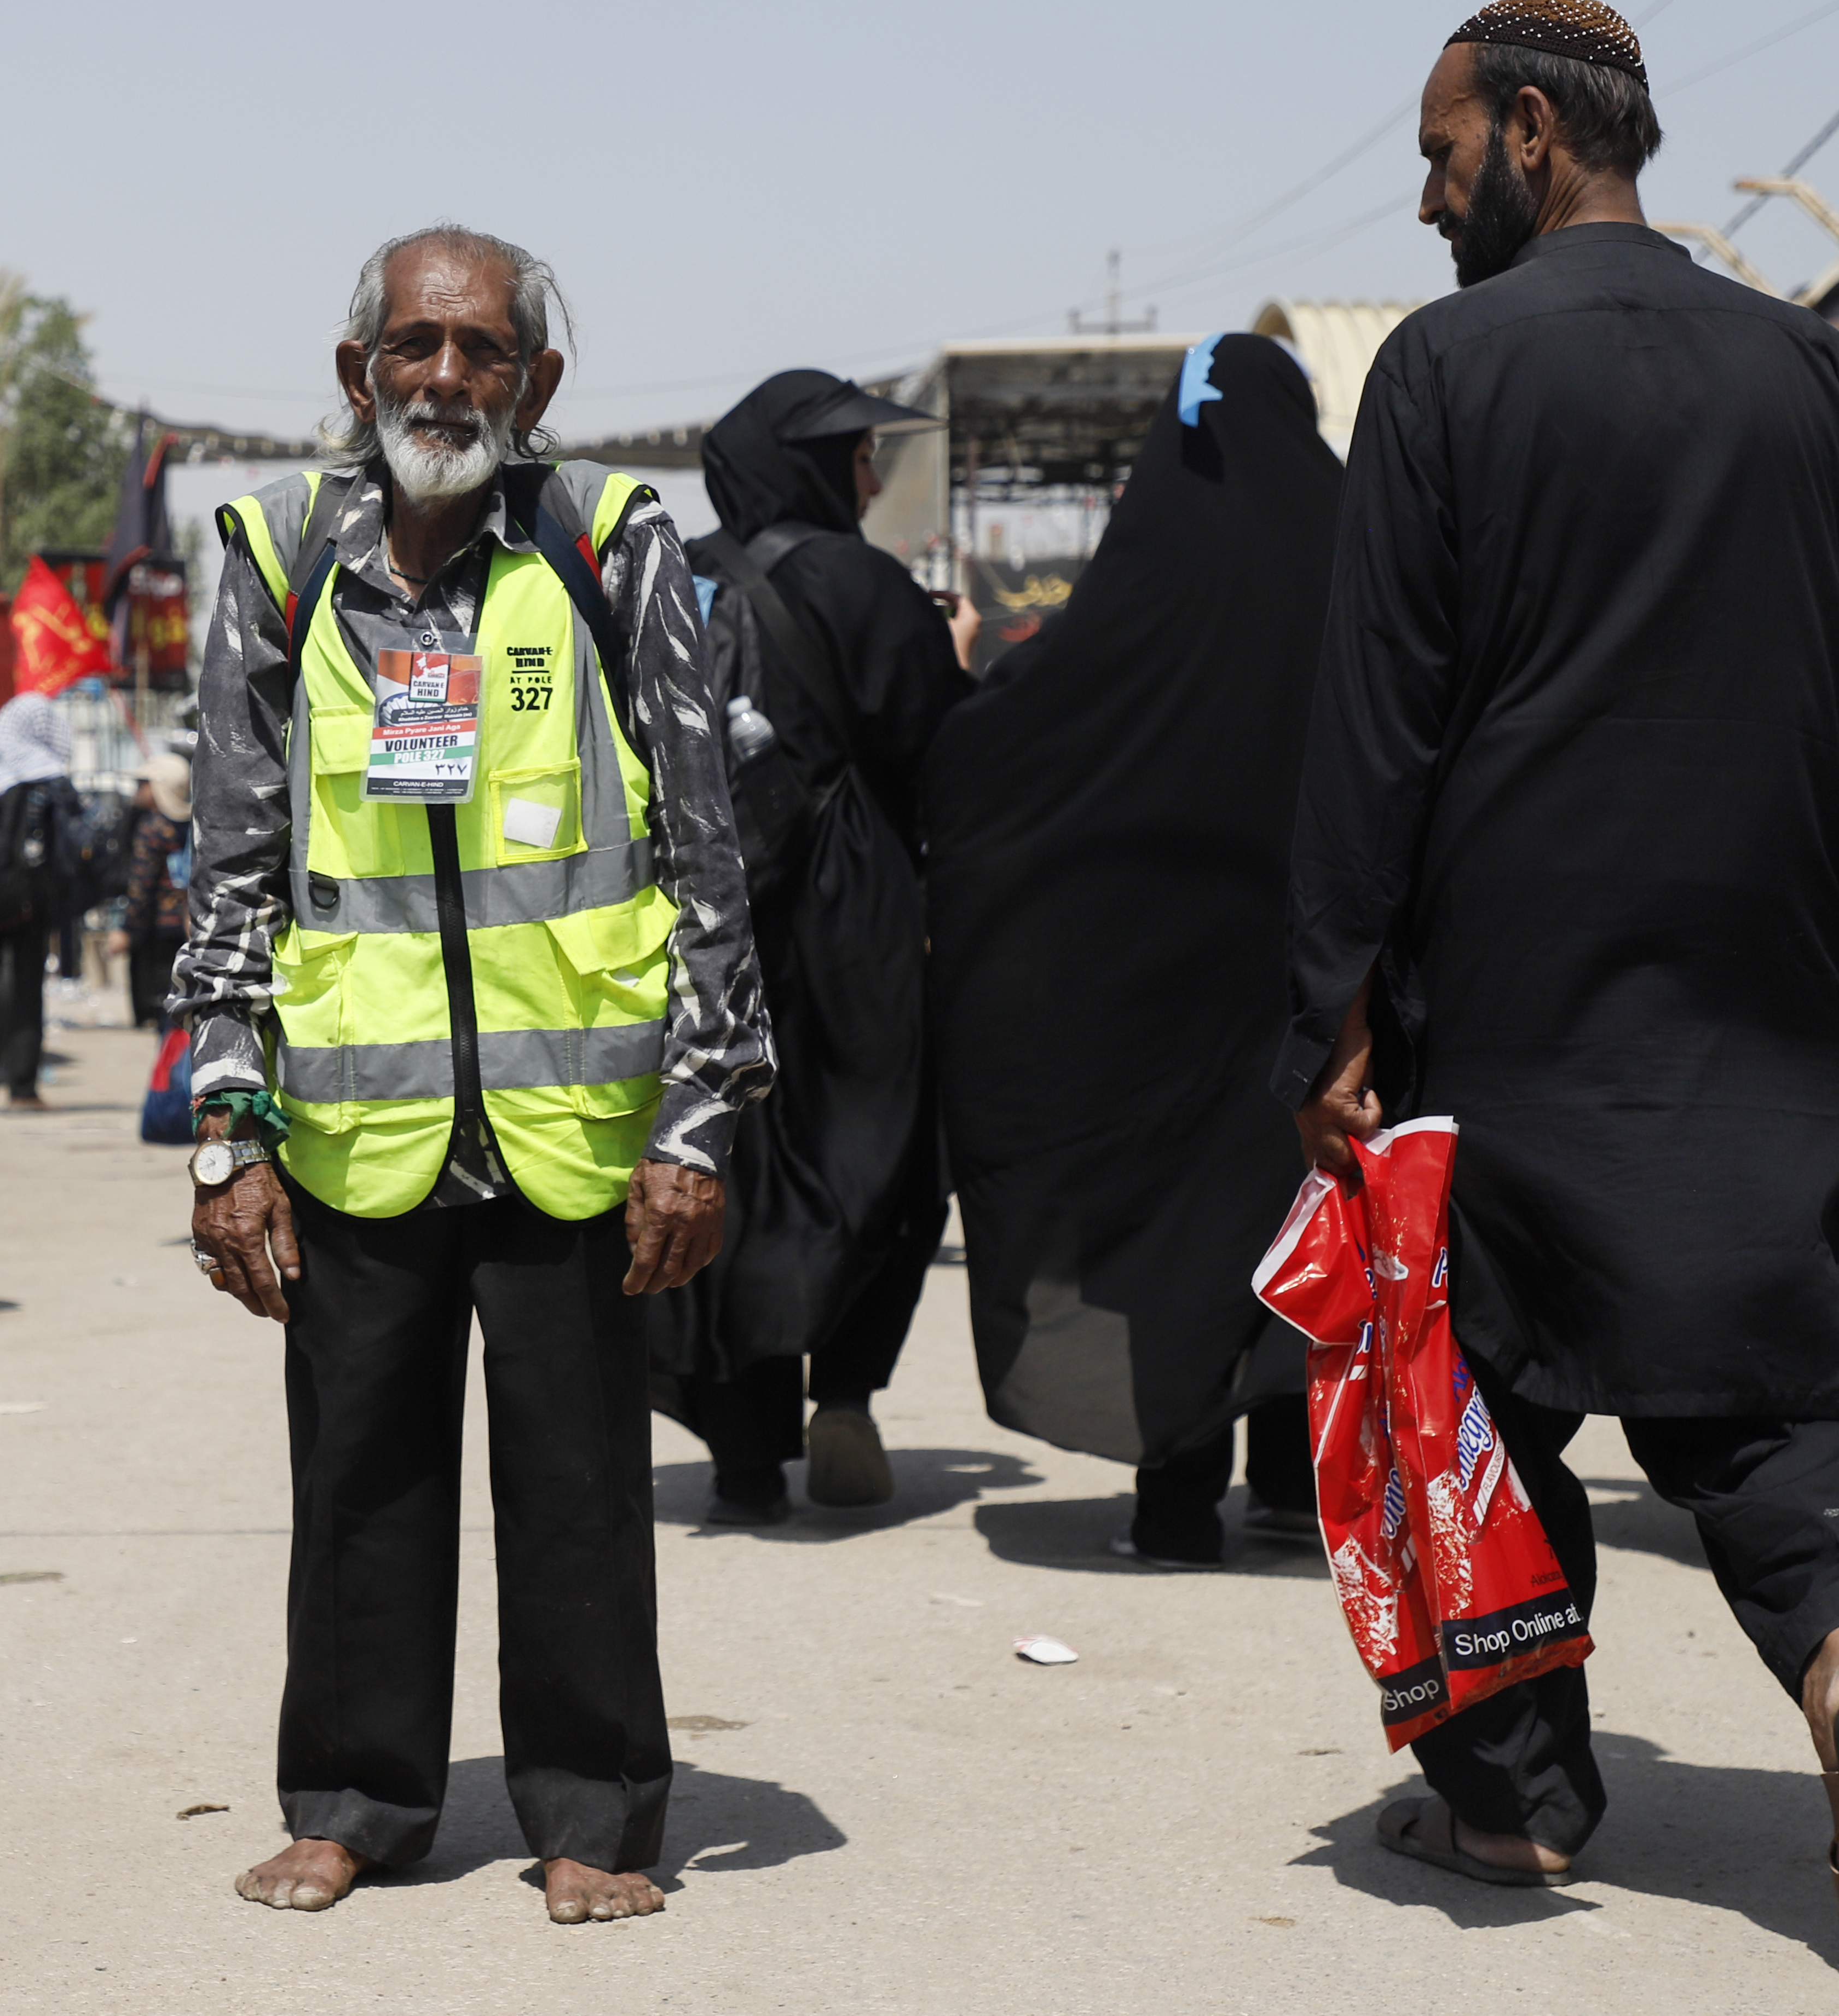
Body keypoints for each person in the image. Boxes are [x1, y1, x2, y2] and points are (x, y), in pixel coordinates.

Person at [1284, 0, 1839, 1965]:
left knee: (1474, 1386)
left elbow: (1375, 721)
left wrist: (1325, 1000)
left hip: (1504, 996)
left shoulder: (1440, 372)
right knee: (1755, 1371)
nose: (1424, 199)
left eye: (1437, 154)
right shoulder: (1800, 369)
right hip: (1753, 986)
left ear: (1527, 129)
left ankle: (1512, 1802)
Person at [174, 225, 771, 1926]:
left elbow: (706, 847)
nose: (448, 378)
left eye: (485, 350)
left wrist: (698, 1117)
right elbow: (228, 863)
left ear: (540, 381)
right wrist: (227, 1131)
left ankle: (589, 1809)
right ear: (357, 372)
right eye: (416, 347)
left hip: (571, 1121)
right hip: (357, 1124)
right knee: (359, 1476)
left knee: (578, 1480)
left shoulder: (602, 545)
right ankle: (359, 1795)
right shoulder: (281, 557)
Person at [923, 332, 1340, 1569]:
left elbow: (1019, 733)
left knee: (1174, 1222)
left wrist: (960, 704)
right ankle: (1294, 1486)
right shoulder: (1356, 537)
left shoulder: (1150, 562)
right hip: (1317, 973)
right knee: (1303, 1212)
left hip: (1155, 973)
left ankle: (1172, 1497)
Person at [646, 371, 972, 1524]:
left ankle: (744, 1452)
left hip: (701, 927)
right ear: (809, 467)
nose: (874, 478)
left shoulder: (669, 576)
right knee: (877, 1154)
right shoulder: (865, 584)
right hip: (858, 929)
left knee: (720, 1156)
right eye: (857, 459)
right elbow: (944, 755)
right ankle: (842, 1391)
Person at [0, 691, 84, 1107]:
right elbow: (68, 825)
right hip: (27, 898)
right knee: (26, 990)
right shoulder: (39, 773)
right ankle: (22, 1089)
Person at [109, 751, 195, 1029]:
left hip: (156, 932)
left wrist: (126, 929)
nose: (138, 790)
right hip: (187, 927)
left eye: (144, 783)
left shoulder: (153, 827)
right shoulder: (192, 824)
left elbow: (141, 885)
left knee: (161, 1010)